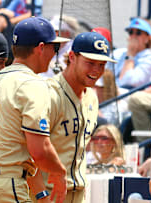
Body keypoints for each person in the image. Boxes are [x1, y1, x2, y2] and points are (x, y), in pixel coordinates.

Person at [0, 16, 69, 203]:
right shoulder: (32, 84)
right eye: (55, 48)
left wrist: (40, 194)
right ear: (41, 48)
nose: (55, 54)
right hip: (6, 186)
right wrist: (59, 172)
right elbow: (39, 150)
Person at [38, 31, 116, 202]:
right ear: (72, 57)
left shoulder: (92, 97)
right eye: (90, 63)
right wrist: (39, 193)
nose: (96, 70)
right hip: (48, 192)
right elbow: (33, 150)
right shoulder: (48, 94)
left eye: (102, 65)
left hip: (78, 192)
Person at [112, 17, 151, 89]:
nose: (133, 36)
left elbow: (129, 82)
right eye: (131, 32)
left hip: (128, 96)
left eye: (138, 33)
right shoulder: (118, 53)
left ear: (147, 38)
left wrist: (130, 55)